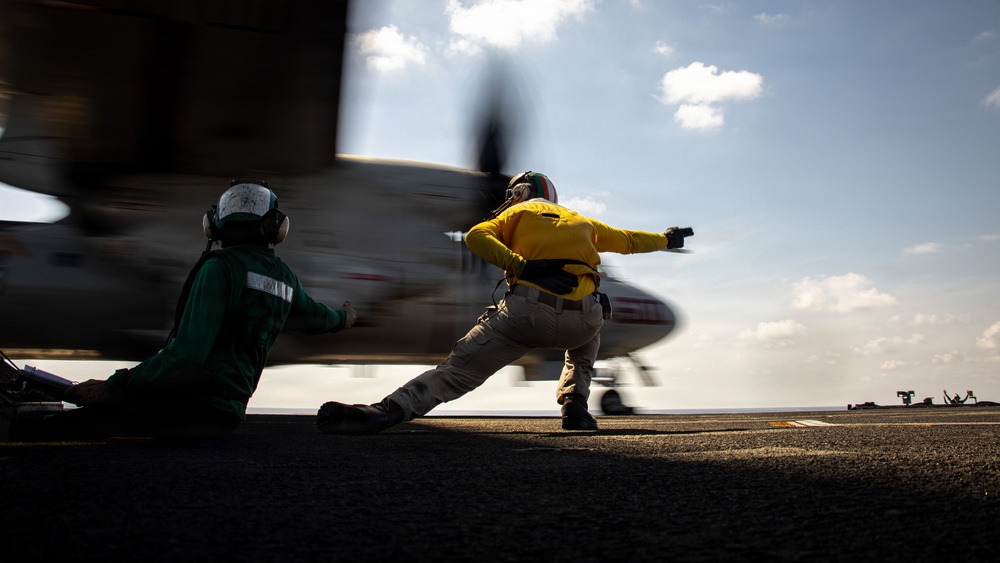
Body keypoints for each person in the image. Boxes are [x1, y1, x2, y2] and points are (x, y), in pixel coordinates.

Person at [317, 171, 691, 434]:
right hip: (583, 320)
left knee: (455, 373)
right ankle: (575, 408)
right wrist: (667, 238)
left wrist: (521, 266)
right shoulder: (583, 222)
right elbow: (629, 240)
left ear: (519, 194)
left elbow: (476, 237)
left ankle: (385, 413)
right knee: (591, 331)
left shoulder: (516, 213)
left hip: (526, 314)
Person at [24, 180, 356, 440]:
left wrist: (115, 384)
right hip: (226, 412)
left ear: (213, 224)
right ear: (277, 228)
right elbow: (316, 317)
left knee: (42, 428)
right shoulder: (285, 279)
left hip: (187, 404)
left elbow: (188, 352)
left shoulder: (220, 269)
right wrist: (344, 318)